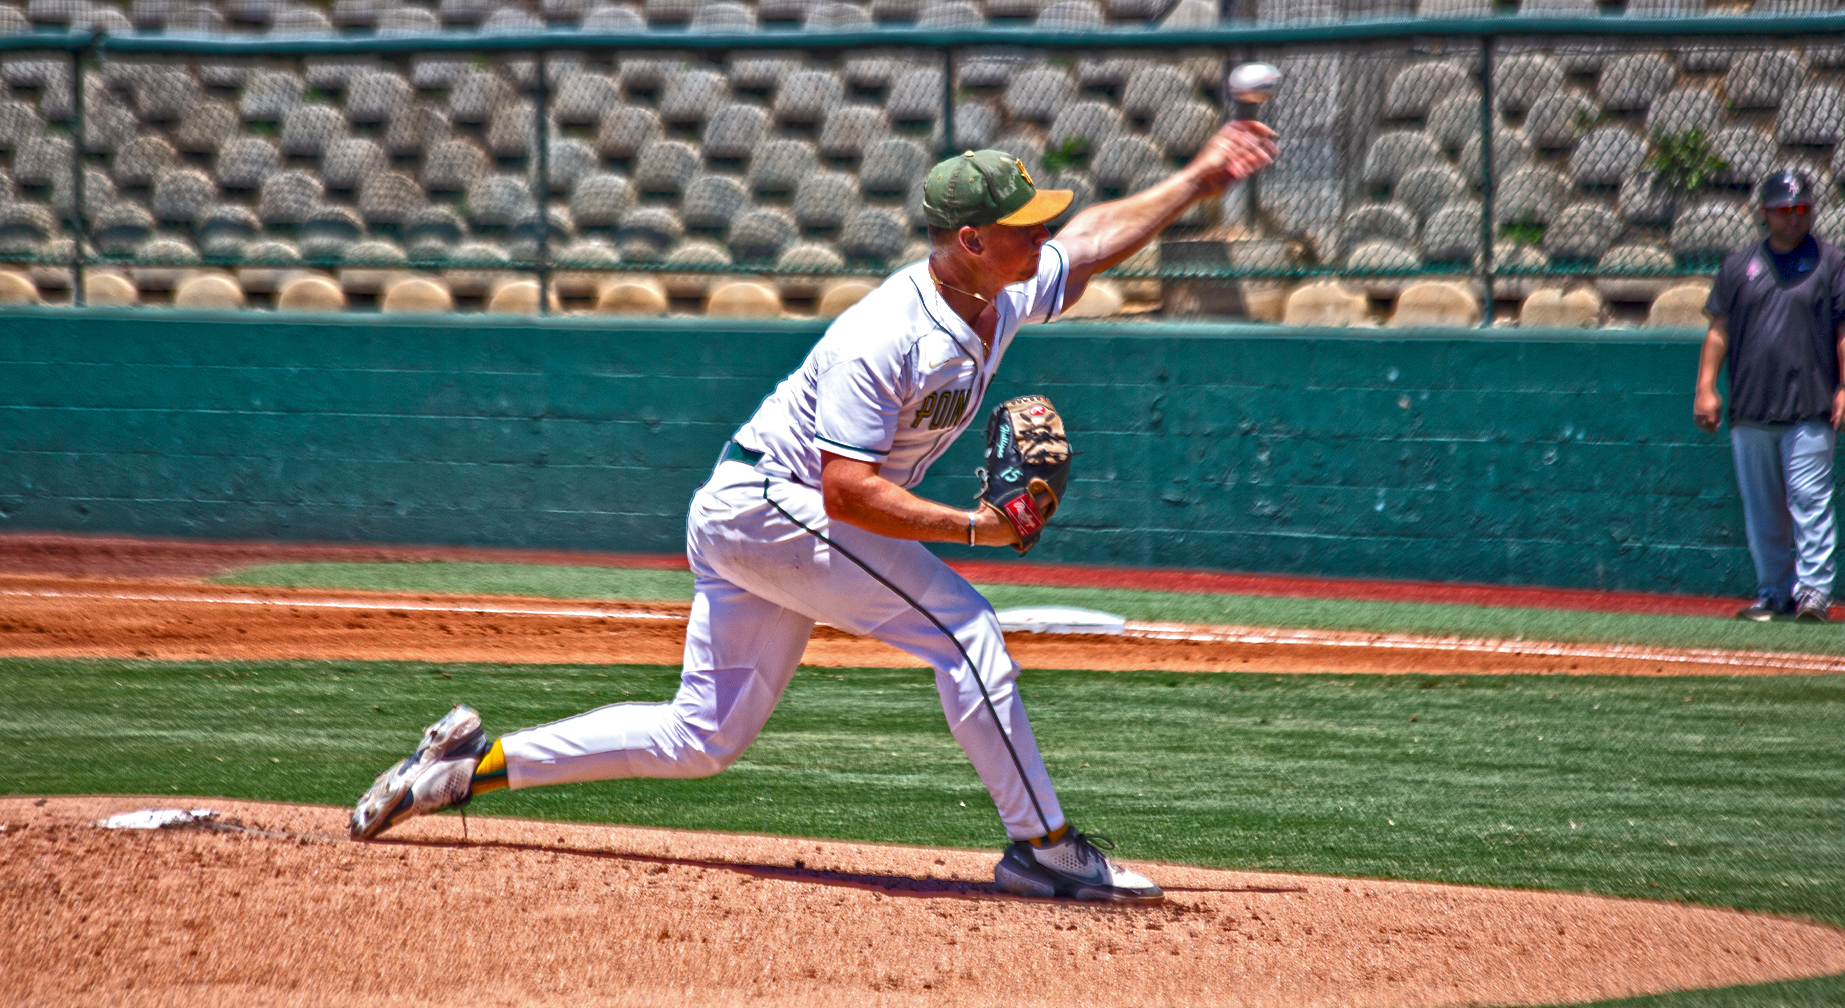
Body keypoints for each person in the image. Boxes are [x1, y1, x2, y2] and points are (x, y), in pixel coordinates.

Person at [350, 122, 1279, 904]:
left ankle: (462, 769)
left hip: (754, 511)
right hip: (770, 505)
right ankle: (1043, 849)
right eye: (1023, 227)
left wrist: (1200, 179)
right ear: (969, 241)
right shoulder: (892, 333)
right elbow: (847, 492)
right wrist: (977, 529)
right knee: (965, 631)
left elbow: (1092, 246)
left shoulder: (1001, 287)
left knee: (700, 740)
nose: (1045, 237)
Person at [1695, 169, 1845, 623]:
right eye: (1784, 210)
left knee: (1810, 500)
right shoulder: (1739, 267)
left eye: (1801, 210)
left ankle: (1814, 593)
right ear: (1764, 213)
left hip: (1810, 406)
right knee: (1763, 511)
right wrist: (1706, 387)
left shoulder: (1831, 263)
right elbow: (1718, 331)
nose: (1793, 219)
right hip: (1751, 408)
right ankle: (1774, 592)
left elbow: (1843, 331)